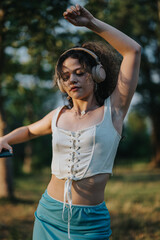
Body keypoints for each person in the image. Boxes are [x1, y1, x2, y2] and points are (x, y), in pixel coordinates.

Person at [0, 4, 141, 240]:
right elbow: (29, 130)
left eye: (79, 72)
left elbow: (133, 51)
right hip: (48, 215)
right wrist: (4, 138)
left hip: (90, 224)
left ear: (97, 74)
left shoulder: (114, 111)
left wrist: (91, 23)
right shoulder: (57, 116)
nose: (72, 80)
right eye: (65, 76)